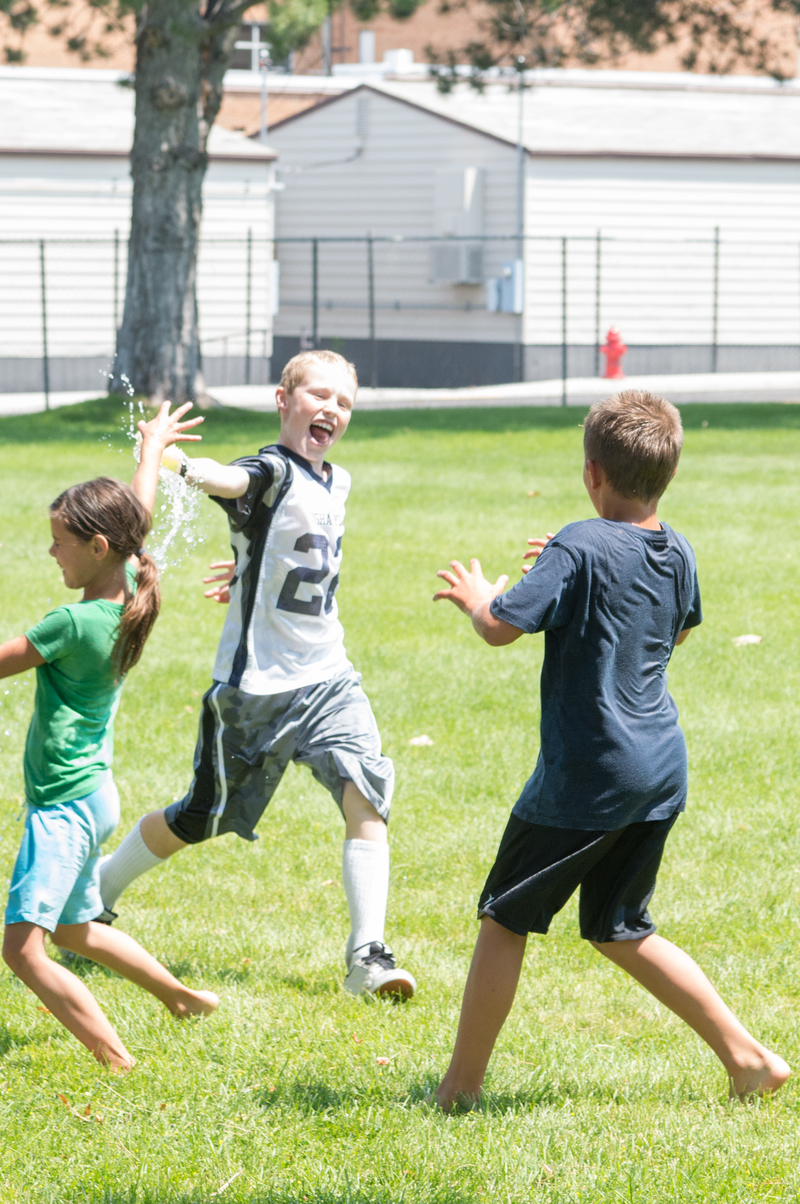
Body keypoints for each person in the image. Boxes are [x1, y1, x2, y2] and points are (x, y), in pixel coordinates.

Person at [432, 389, 789, 1107]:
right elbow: (674, 628)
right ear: (668, 474)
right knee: (620, 927)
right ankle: (748, 1058)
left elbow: (500, 627)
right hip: (658, 769)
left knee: (505, 915)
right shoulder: (675, 549)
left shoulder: (580, 543)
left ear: (592, 473)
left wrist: (477, 597)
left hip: (589, 777)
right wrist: (570, 573)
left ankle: (459, 1090)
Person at [98, 350, 416, 999]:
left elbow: (293, 554)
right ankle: (97, 889)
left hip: (329, 677)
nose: (331, 409)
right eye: (318, 394)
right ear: (283, 399)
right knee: (198, 818)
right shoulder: (269, 470)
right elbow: (229, 480)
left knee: (366, 794)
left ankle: (368, 958)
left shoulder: (339, 481)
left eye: (344, 402)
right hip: (256, 691)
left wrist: (252, 572)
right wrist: (168, 458)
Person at [2, 478, 219, 1072]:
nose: (51, 551)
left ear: (98, 547)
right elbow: (134, 519)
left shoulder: (72, 623)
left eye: (59, 541)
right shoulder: (128, 591)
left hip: (63, 806)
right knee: (74, 931)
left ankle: (116, 1062)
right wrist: (149, 451)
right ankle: (180, 997)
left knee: (22, 951)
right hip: (94, 795)